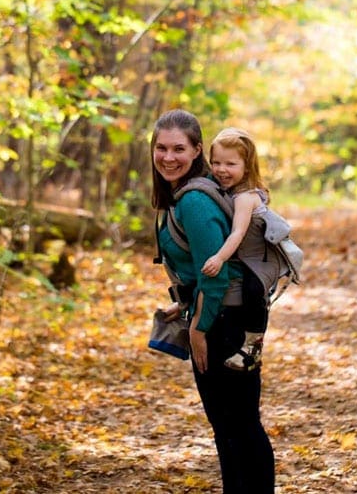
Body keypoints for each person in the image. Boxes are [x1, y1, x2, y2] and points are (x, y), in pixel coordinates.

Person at [151, 109, 274, 493]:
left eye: (178, 149)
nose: (168, 157)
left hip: (223, 324)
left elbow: (216, 275)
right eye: (161, 148)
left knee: (237, 426)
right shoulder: (190, 192)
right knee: (232, 426)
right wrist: (184, 304)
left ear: (197, 150)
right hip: (222, 318)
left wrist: (199, 329)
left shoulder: (195, 201)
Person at [200, 127, 274, 371]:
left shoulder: (244, 196)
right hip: (247, 255)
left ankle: (253, 347)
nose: (221, 169)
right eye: (216, 162)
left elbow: (238, 233)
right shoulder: (230, 190)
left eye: (230, 164)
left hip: (258, 260)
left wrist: (220, 258)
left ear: (247, 166)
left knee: (253, 292)